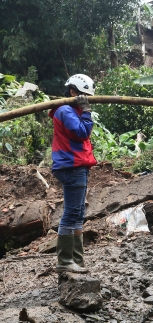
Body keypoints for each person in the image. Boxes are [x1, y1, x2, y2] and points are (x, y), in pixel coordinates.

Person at [50, 74, 97, 273]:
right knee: (71, 214)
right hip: (72, 166)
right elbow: (81, 133)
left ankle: (76, 259)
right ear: (73, 92)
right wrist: (87, 112)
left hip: (77, 165)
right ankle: (65, 261)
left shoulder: (71, 110)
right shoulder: (66, 110)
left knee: (78, 214)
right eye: (84, 96)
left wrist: (84, 112)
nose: (87, 100)